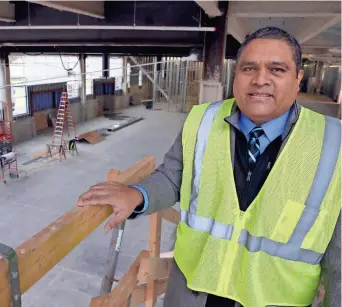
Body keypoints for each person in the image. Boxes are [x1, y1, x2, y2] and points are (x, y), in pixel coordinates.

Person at [78, 27, 341, 307]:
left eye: (277, 70)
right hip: (194, 293)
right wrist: (138, 194)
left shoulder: (333, 143)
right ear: (235, 75)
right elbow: (173, 177)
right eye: (249, 68)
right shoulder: (202, 120)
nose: (260, 80)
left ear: (298, 78)